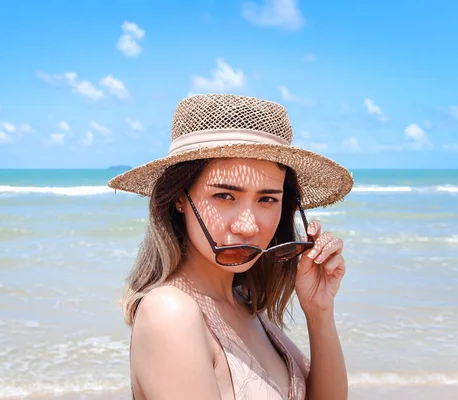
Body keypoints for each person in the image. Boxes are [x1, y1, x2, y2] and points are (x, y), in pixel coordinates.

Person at [108, 93, 353, 400]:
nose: (249, 226)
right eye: (224, 196)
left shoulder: (246, 308)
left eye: (267, 199)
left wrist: (319, 311)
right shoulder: (171, 313)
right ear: (179, 198)